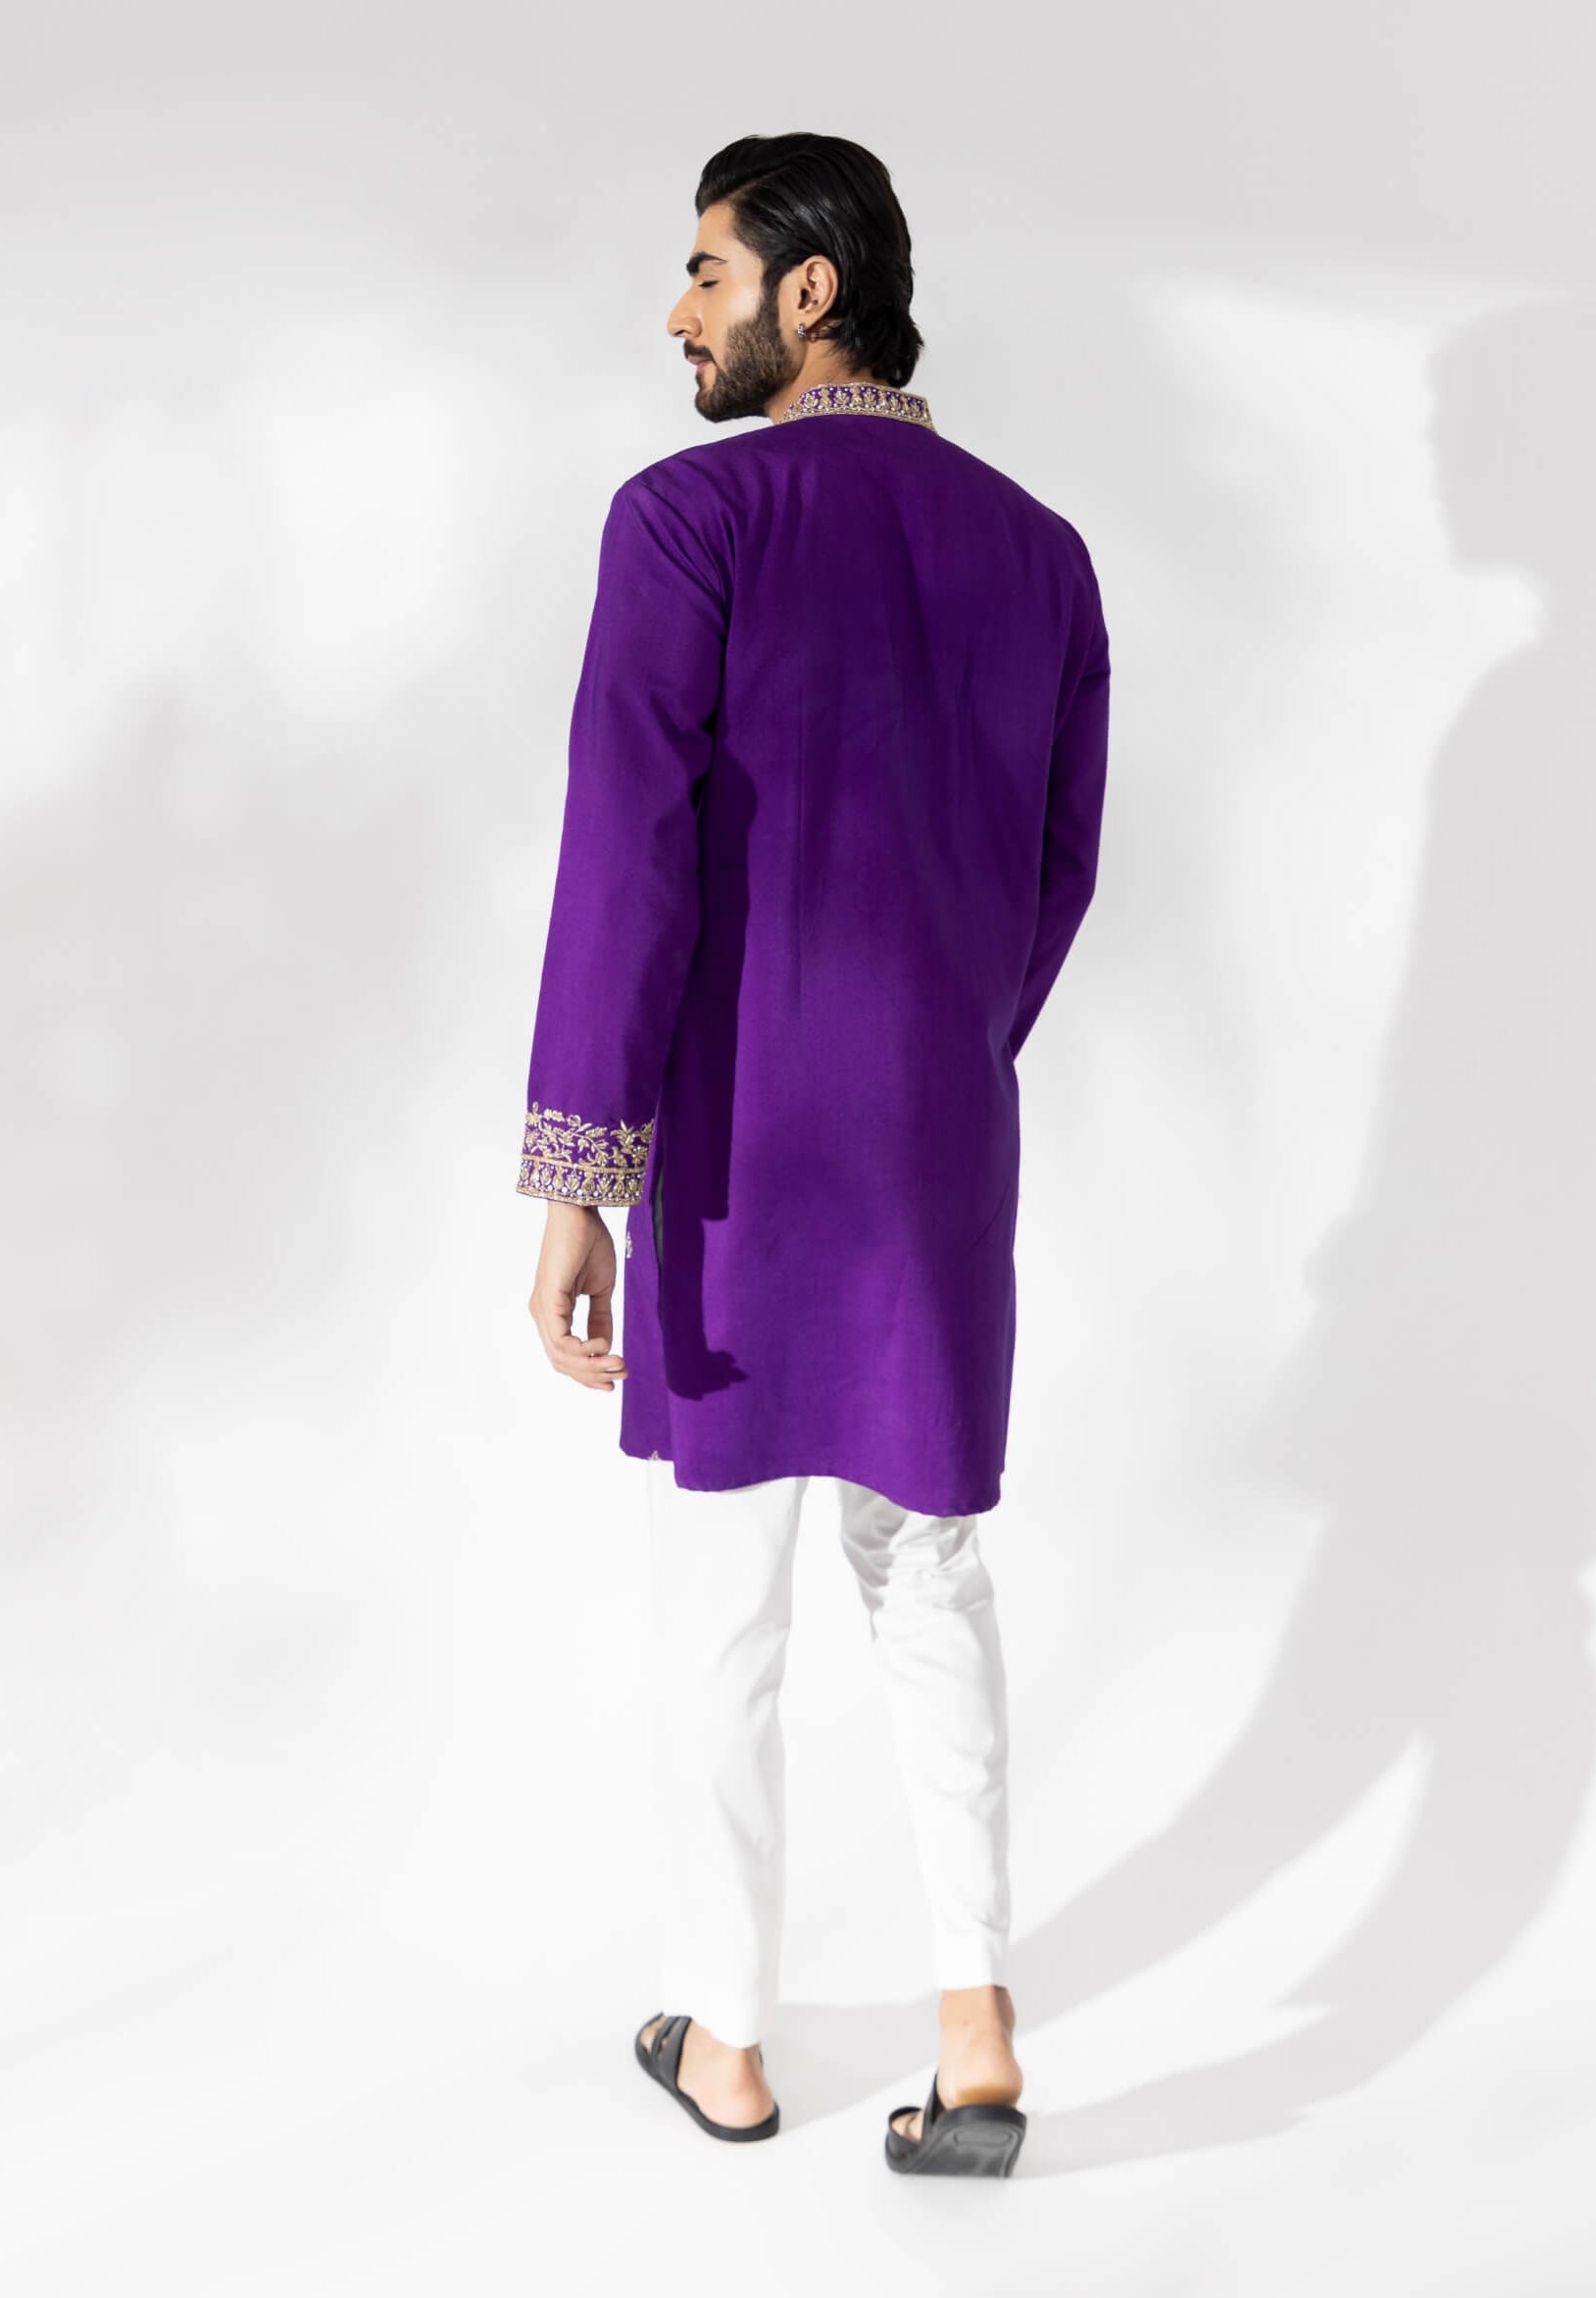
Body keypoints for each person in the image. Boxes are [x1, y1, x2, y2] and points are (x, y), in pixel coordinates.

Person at [518, 131, 1111, 2178]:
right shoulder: (1040, 552)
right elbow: (1055, 871)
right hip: (936, 1139)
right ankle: (975, 2029)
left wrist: (580, 1174)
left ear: (808, 290)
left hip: (738, 1139)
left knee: (722, 1594)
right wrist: (943, 1052)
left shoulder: (690, 517)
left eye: (704, 270)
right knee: (925, 1564)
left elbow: (626, 857)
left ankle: (732, 2038)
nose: (675, 311)